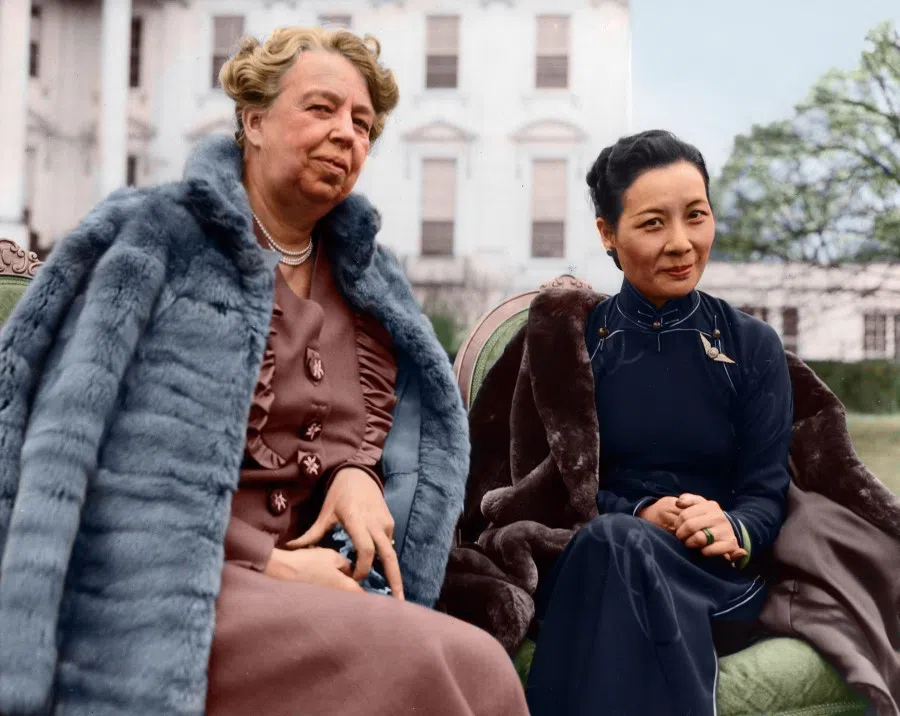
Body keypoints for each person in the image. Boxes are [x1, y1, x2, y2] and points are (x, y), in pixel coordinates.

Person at [0, 27, 528, 716]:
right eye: (321, 108)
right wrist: (272, 562)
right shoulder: (155, 239)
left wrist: (358, 475)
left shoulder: (374, 287)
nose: (345, 133)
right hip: (169, 586)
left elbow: (377, 434)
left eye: (362, 123)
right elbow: (82, 448)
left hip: (324, 582)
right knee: (457, 666)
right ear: (253, 121)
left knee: (472, 663)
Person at [524, 130, 794, 716]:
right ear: (608, 234)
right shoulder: (573, 345)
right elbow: (546, 488)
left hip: (711, 579)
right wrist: (638, 512)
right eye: (652, 224)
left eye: (696, 216)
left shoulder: (752, 345)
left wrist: (732, 525)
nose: (681, 243)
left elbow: (767, 491)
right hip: (596, 558)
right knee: (615, 541)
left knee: (618, 547)